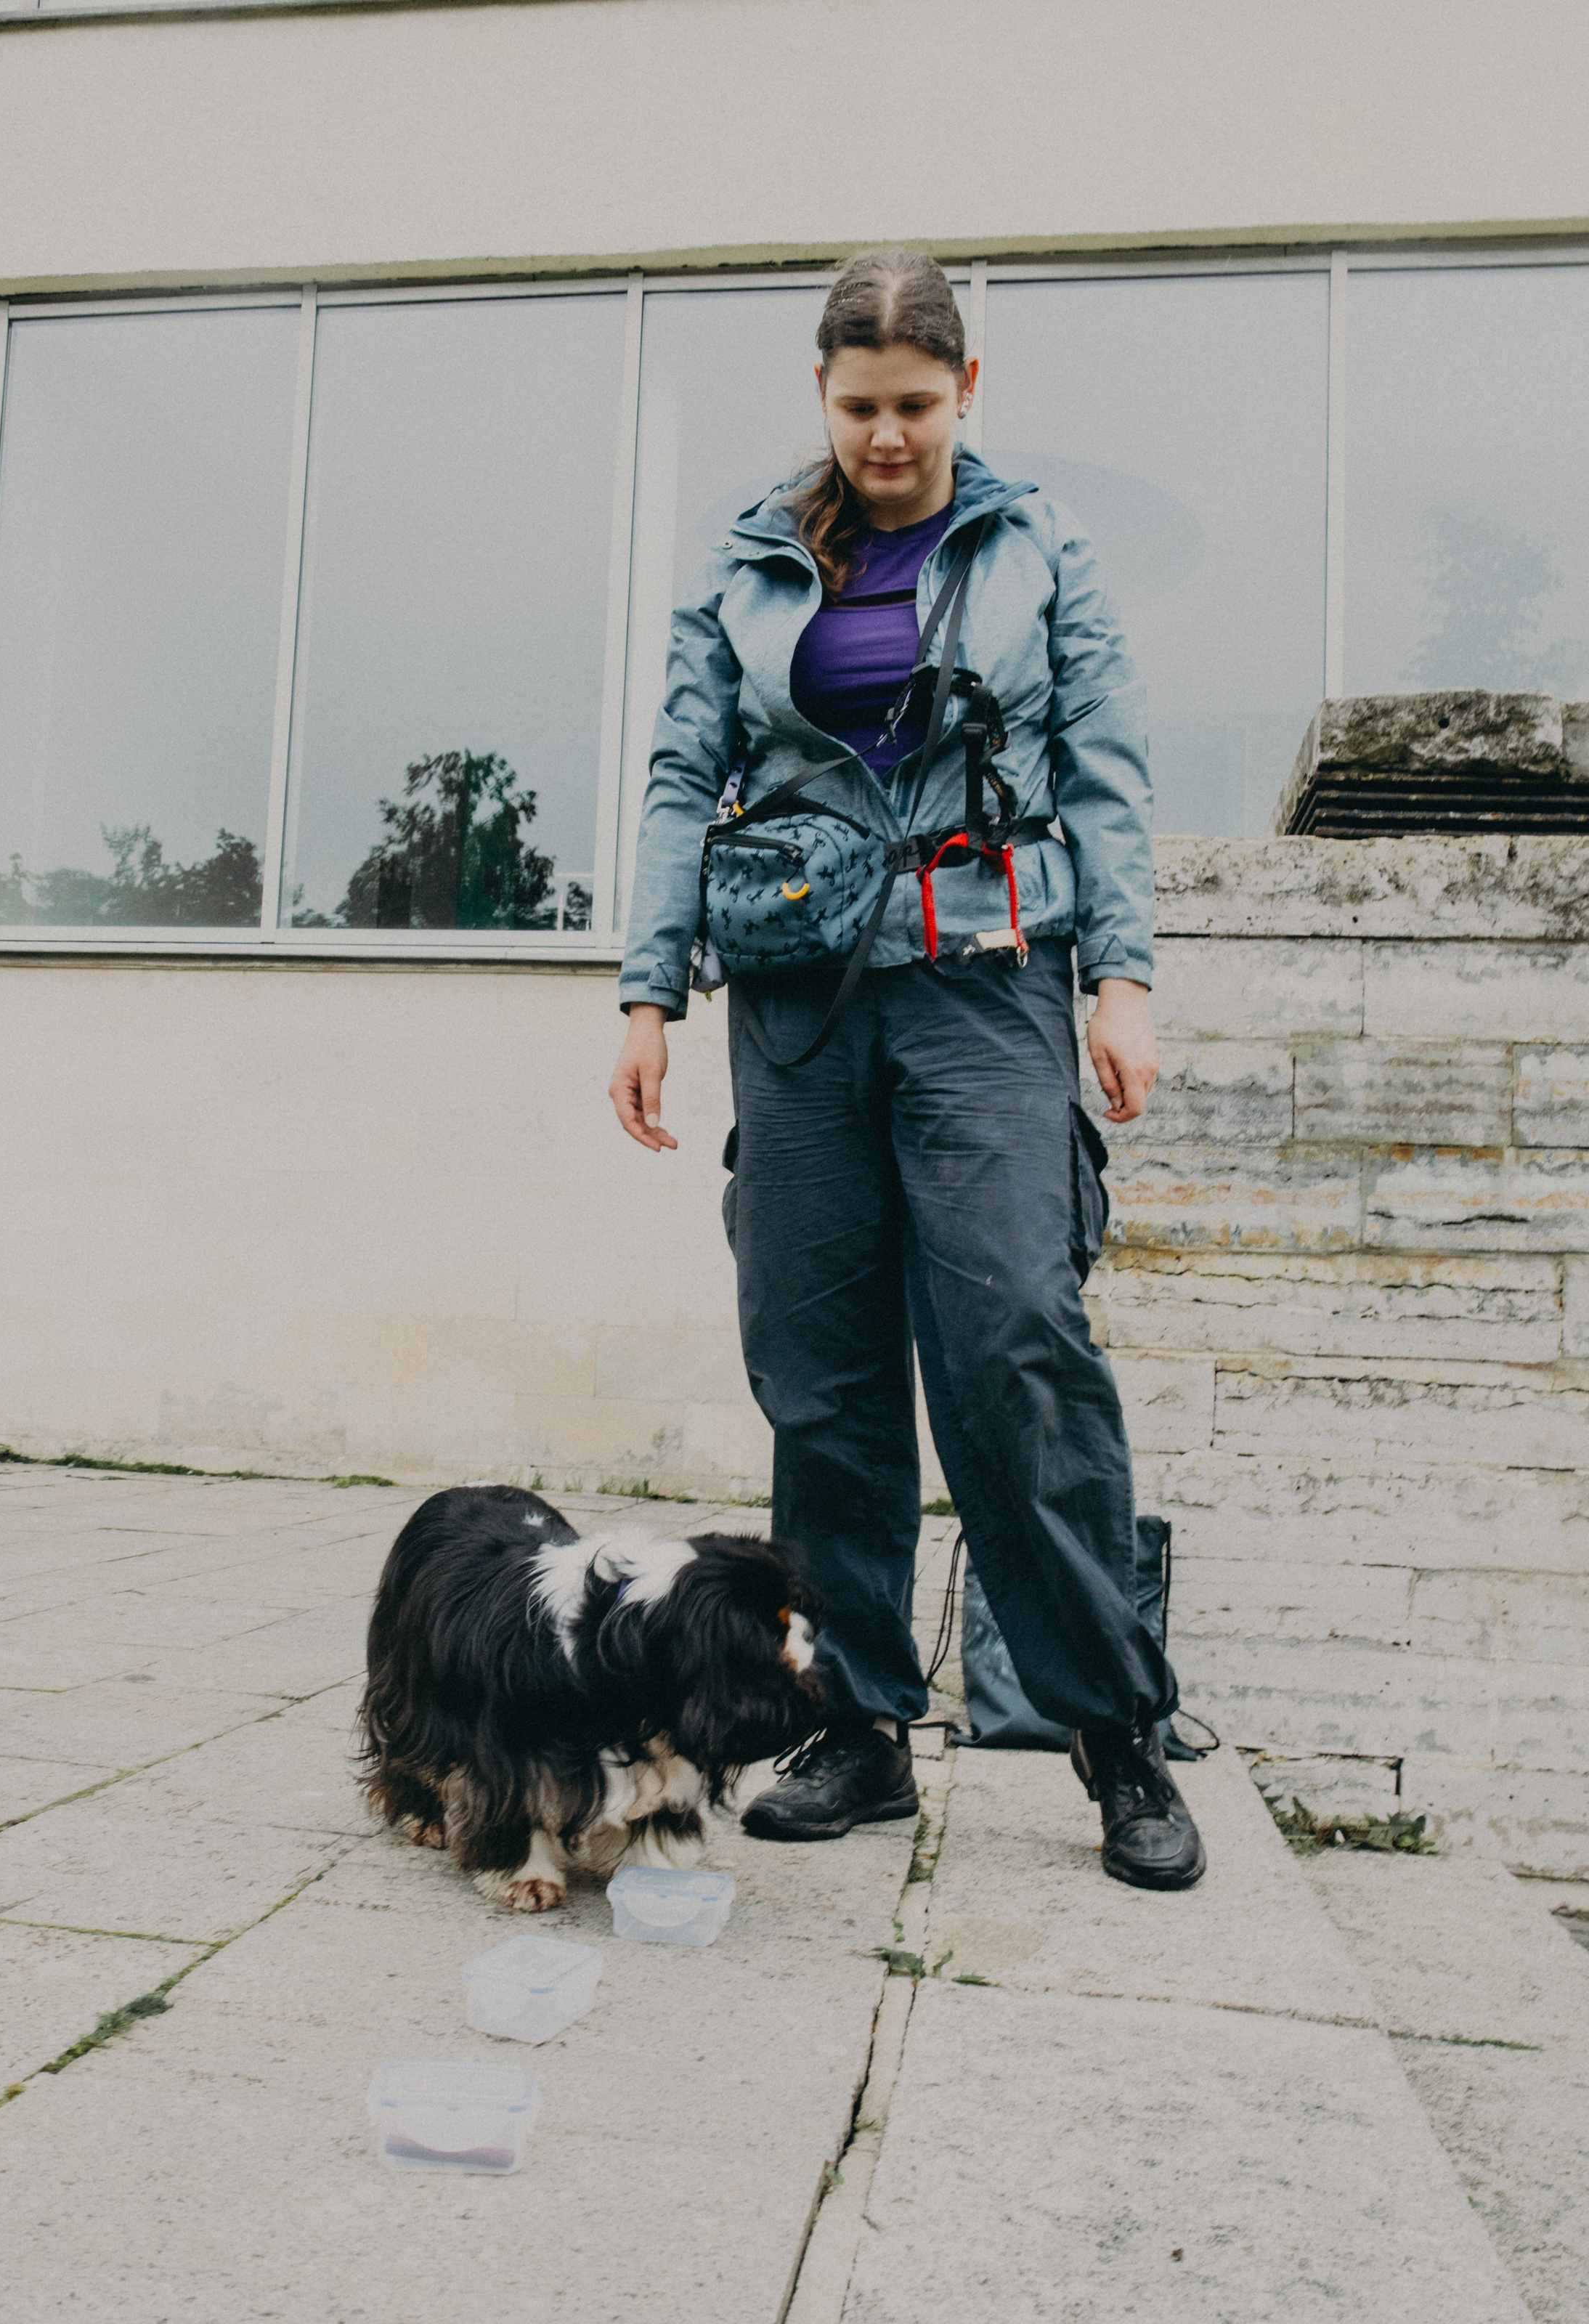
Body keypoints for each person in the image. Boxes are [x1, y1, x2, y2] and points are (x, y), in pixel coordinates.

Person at [607, 247, 1205, 1891]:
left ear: (966, 393)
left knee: (1016, 1347)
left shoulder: (1036, 547)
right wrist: (646, 991)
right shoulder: (747, 557)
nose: (887, 438)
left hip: (983, 988)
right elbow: (678, 771)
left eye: (916, 407)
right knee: (820, 1374)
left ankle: (1113, 1736)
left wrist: (1126, 981)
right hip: (797, 1007)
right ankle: (858, 1724)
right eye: (859, 407)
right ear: (819, 393)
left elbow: (1103, 767)